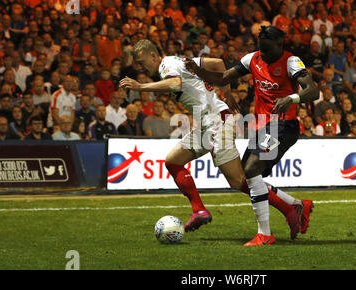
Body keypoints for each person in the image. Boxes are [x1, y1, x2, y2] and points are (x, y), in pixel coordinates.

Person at [120, 38, 304, 246]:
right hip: (208, 123)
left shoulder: (166, 66)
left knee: (238, 180)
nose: (142, 67)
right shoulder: (178, 61)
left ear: (153, 55)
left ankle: (291, 207)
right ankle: (199, 210)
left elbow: (176, 83)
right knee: (173, 161)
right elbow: (217, 63)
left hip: (217, 122)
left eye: (143, 62)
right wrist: (227, 94)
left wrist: (140, 86)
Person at [185, 26, 318, 245]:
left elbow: (313, 91)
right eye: (260, 49)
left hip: (283, 125)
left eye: (267, 50)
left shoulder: (291, 62)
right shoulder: (252, 59)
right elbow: (223, 77)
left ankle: (265, 234)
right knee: (245, 176)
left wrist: (291, 99)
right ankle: (295, 206)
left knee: (251, 169)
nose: (263, 54)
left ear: (279, 45)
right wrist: (198, 71)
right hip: (263, 127)